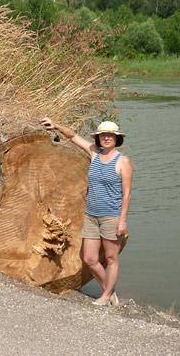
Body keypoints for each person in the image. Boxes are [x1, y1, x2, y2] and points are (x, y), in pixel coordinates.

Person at [39, 117, 133, 306]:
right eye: (103, 135)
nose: (106, 138)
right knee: (89, 259)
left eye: (110, 135)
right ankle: (109, 291)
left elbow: (127, 194)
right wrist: (56, 125)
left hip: (111, 216)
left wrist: (122, 221)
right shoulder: (94, 153)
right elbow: (73, 136)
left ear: (116, 138)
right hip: (91, 215)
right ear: (98, 138)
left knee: (111, 258)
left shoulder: (123, 160)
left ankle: (105, 297)